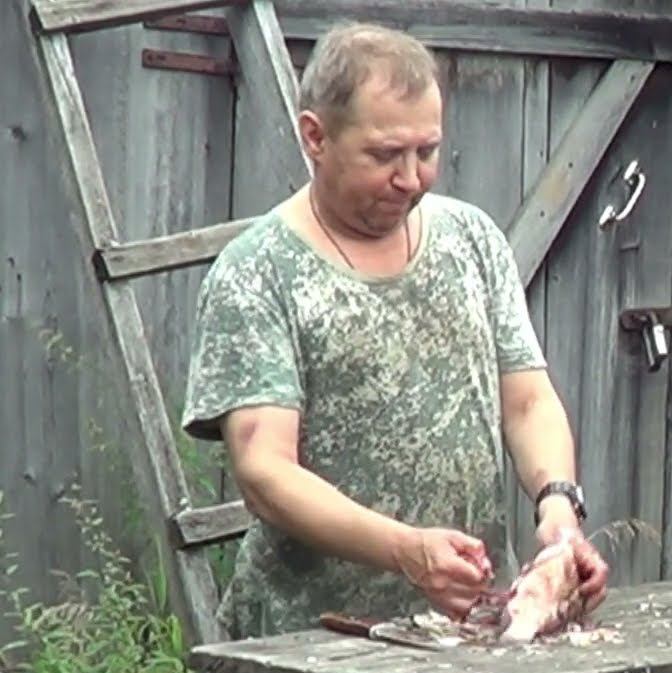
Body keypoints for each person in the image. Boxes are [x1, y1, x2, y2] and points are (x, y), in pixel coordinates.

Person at [181, 21, 607, 641]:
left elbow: (527, 401)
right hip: (312, 644)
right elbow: (265, 472)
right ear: (315, 136)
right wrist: (405, 550)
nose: (411, 178)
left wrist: (559, 509)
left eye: (426, 151)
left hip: (469, 633)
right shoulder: (258, 272)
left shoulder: (472, 239)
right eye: (384, 155)